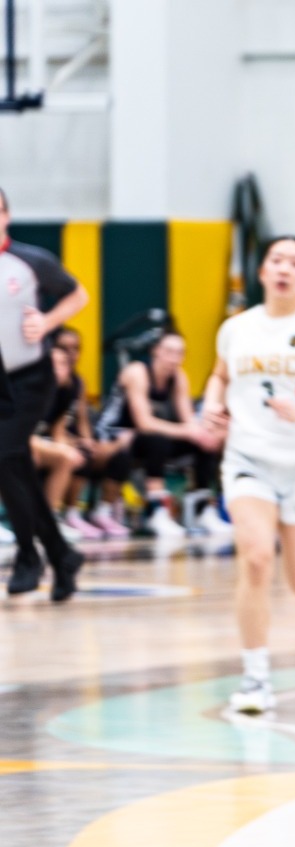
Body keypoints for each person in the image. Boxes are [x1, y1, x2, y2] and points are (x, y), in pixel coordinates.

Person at [202, 236, 295, 714]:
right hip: (248, 459)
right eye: (276, 260)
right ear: (263, 271)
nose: (284, 269)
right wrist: (211, 401)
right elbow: (220, 375)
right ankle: (255, 680)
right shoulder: (236, 328)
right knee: (254, 559)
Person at [0, 184, 91, 600]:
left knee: (5, 457)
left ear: (6, 217)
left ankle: (26, 556)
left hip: (30, 377)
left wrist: (49, 322)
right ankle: (60, 553)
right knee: (14, 467)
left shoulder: (30, 261)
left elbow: (79, 295)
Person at [96, 330, 226, 538]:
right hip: (114, 434)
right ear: (155, 351)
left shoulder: (178, 377)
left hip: (144, 437)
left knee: (203, 443)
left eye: (179, 353)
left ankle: (203, 509)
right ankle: (156, 510)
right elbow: (145, 423)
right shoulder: (137, 372)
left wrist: (204, 434)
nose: (174, 358)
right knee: (158, 439)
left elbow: (188, 420)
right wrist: (189, 431)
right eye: (169, 351)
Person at [41, 327, 134, 539]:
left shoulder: (77, 382)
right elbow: (53, 429)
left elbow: (82, 420)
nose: (71, 354)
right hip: (43, 440)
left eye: (76, 349)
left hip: (64, 439)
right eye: (64, 348)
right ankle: (68, 513)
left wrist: (88, 440)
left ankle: (100, 513)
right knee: (78, 454)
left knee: (118, 455)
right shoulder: (40, 384)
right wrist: (74, 443)